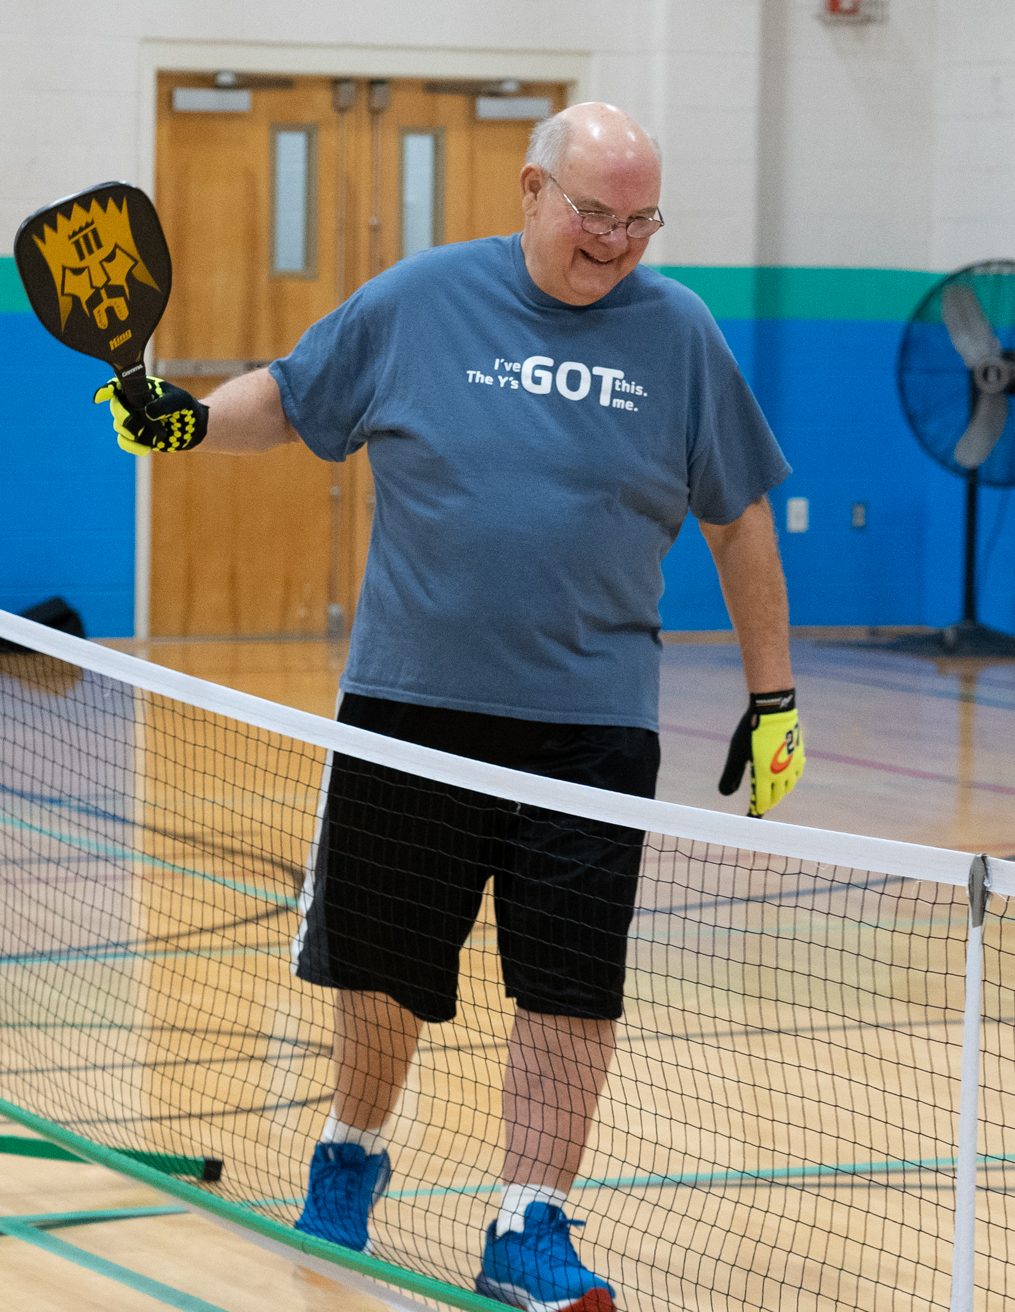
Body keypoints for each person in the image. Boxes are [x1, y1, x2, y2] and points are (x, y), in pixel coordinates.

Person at [96, 102, 804, 1312]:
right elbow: (293, 398)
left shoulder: (681, 334)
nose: (616, 241)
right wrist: (185, 418)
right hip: (410, 707)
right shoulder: (419, 298)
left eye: (640, 221)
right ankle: (352, 1151)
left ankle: (531, 1221)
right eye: (594, 213)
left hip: (593, 726)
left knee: (574, 983)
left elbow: (738, 518)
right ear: (532, 189)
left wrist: (773, 694)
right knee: (382, 968)